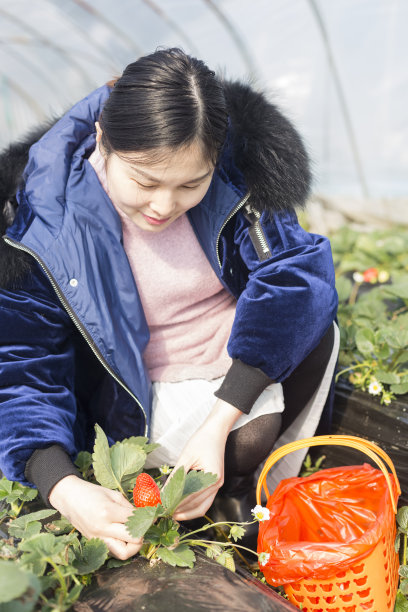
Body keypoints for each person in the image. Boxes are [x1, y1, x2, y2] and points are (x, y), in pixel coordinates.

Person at [0, 48, 338, 560]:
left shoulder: (237, 170)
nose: (163, 206)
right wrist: (66, 490)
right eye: (144, 181)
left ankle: (239, 492)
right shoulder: (42, 221)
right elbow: (23, 368)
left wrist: (219, 418)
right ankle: (223, 497)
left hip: (227, 352)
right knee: (244, 441)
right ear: (102, 143)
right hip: (139, 386)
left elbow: (297, 278)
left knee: (303, 348)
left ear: (215, 157)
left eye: (189, 184)